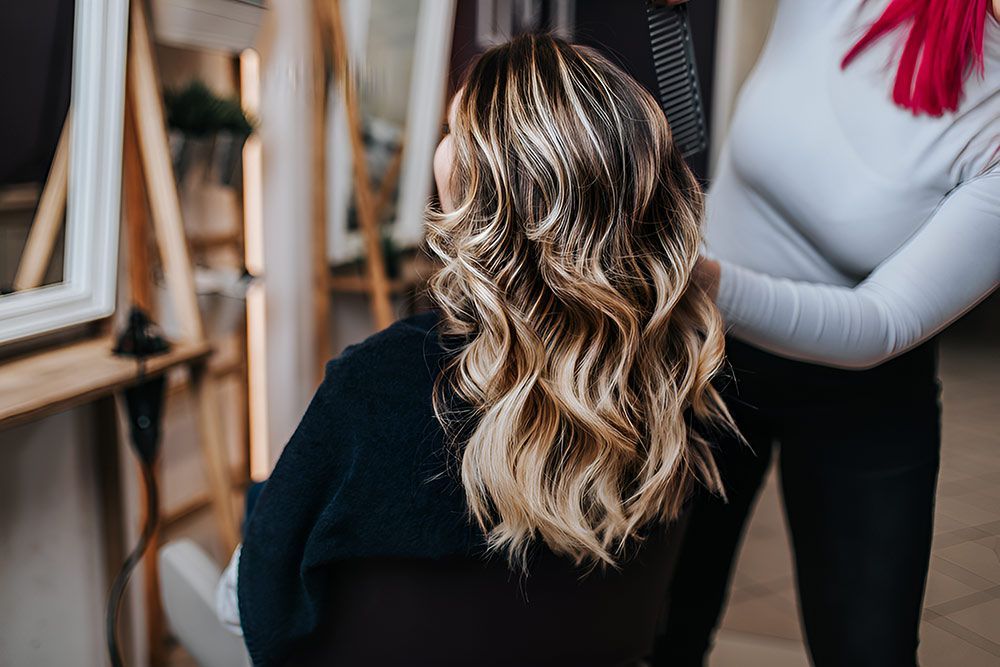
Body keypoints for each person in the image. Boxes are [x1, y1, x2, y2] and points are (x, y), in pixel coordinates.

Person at [219, 33, 736, 666]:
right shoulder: (676, 376)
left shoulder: (381, 385)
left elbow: (262, 614)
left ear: (478, 181)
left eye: (450, 131)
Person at [656, 1, 999, 665]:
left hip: (865, 394)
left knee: (869, 649)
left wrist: (689, 276)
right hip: (705, 361)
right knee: (662, 626)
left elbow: (881, 323)